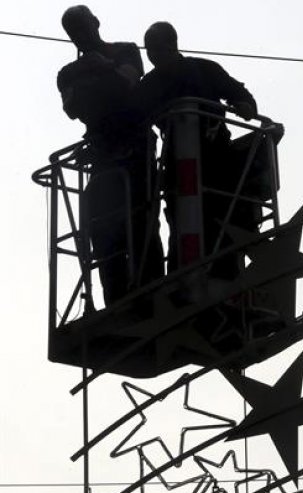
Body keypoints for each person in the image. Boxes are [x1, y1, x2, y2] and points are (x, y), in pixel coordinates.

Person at [135, 21, 261, 280]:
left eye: (155, 48)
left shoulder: (204, 70)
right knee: (182, 225)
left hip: (217, 160)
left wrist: (245, 105)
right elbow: (133, 117)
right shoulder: (150, 85)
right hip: (177, 166)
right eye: (148, 49)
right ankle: (184, 280)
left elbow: (241, 95)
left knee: (221, 221)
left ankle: (227, 278)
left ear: (172, 45)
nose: (151, 55)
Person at [57, 5, 163, 305]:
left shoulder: (126, 50)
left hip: (136, 150)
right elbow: (75, 109)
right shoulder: (67, 73)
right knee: (102, 226)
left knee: (142, 220)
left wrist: (98, 71)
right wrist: (106, 77)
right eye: (72, 31)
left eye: (82, 26)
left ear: (95, 23)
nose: (79, 35)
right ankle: (117, 301)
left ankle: (151, 292)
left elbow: (126, 84)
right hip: (103, 157)